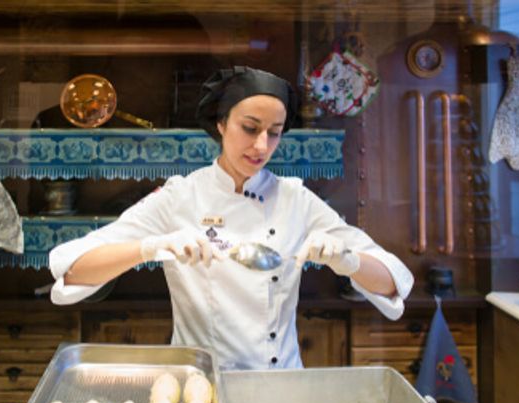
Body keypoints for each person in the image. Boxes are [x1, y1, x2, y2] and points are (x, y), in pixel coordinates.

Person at [48, 66, 414, 370]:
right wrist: (150, 247)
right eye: (250, 128)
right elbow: (74, 271)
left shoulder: (296, 199)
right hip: (200, 389)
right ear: (221, 124)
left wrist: (347, 260)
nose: (261, 147)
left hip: (280, 385)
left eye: (274, 133)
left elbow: (392, 284)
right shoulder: (180, 197)